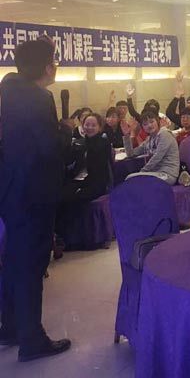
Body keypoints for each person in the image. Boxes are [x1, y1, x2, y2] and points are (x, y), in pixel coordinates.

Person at [0, 38, 72, 361]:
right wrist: (66, 132)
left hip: (11, 191)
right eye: (54, 61)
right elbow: (49, 149)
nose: (55, 66)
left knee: (14, 262)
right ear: (46, 67)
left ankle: (10, 327)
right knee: (31, 265)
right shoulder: (40, 98)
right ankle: (32, 340)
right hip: (35, 194)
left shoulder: (7, 89)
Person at [56, 113, 112, 249]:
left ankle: (77, 240)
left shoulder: (102, 143)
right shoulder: (80, 143)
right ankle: (61, 237)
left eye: (93, 125)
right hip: (81, 180)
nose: (90, 128)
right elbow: (71, 162)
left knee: (73, 198)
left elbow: (96, 170)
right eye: (87, 125)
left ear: (100, 127)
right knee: (59, 196)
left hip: (96, 182)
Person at [121, 109, 180, 185]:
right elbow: (131, 154)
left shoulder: (165, 134)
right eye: (145, 124)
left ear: (157, 122)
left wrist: (141, 172)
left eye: (152, 122)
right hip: (155, 173)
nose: (149, 125)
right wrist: (126, 135)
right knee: (129, 177)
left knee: (132, 179)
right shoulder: (149, 139)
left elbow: (157, 157)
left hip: (167, 174)